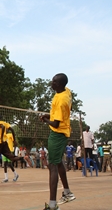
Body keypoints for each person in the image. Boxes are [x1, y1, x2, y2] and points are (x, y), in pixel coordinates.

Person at [40, 73, 75, 210]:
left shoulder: (61, 100)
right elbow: (68, 110)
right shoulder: (66, 91)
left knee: (52, 166)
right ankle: (67, 193)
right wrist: (49, 114)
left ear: (59, 85)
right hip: (61, 131)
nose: (51, 83)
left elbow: (55, 124)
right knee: (58, 161)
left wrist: (46, 120)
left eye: (54, 82)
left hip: (58, 134)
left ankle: (53, 205)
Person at [0, 114, 22, 186]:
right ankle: (22, 158)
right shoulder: (4, 122)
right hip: (4, 143)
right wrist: (14, 140)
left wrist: (0, 138)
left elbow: (3, 127)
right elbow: (12, 129)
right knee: (11, 157)